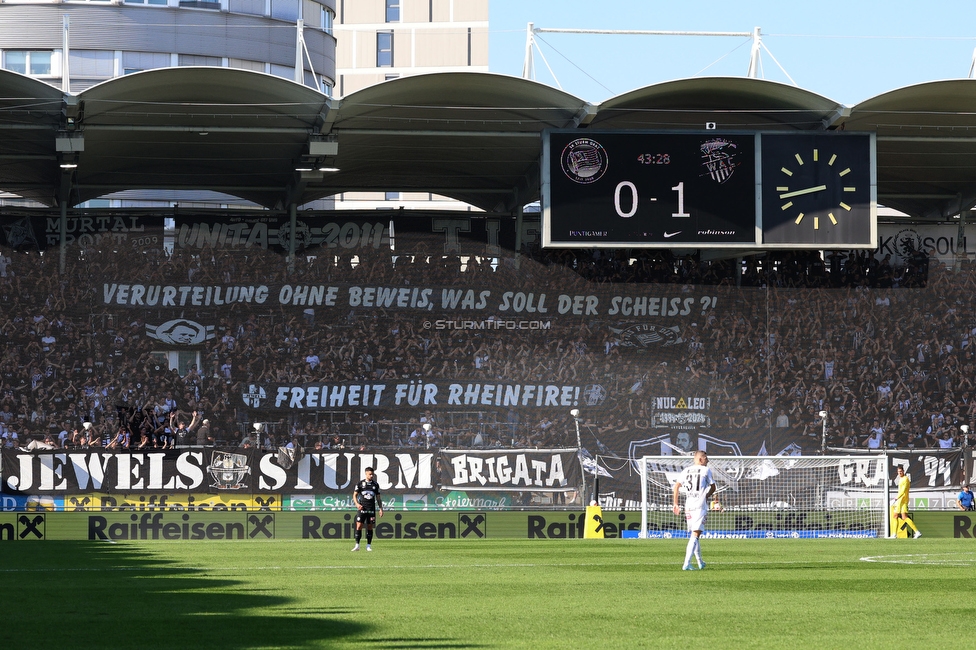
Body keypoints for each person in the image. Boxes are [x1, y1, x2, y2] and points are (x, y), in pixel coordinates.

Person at [672, 450, 716, 570]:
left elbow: (676, 486)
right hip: (700, 506)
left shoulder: (686, 470)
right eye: (706, 458)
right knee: (695, 535)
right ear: (701, 459)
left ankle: (700, 562)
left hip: (688, 506)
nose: (708, 460)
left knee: (694, 534)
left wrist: (675, 504)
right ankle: (686, 563)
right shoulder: (706, 470)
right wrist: (706, 495)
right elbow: (713, 487)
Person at [351, 466, 384, 552]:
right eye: (370, 474)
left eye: (372, 474)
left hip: (371, 509)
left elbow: (378, 498)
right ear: (366, 474)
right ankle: (357, 545)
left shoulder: (375, 485)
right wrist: (357, 504)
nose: (371, 476)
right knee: (359, 525)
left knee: (370, 526)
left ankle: (368, 546)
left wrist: (381, 508)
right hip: (362, 508)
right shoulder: (360, 484)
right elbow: (354, 495)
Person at [892, 466, 921, 538]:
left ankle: (917, 532)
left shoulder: (905, 479)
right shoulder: (901, 479)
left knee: (902, 517)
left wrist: (896, 498)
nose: (899, 473)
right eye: (898, 472)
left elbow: (903, 491)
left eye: (901, 471)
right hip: (900, 500)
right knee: (898, 516)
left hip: (903, 501)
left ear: (903, 471)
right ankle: (894, 534)